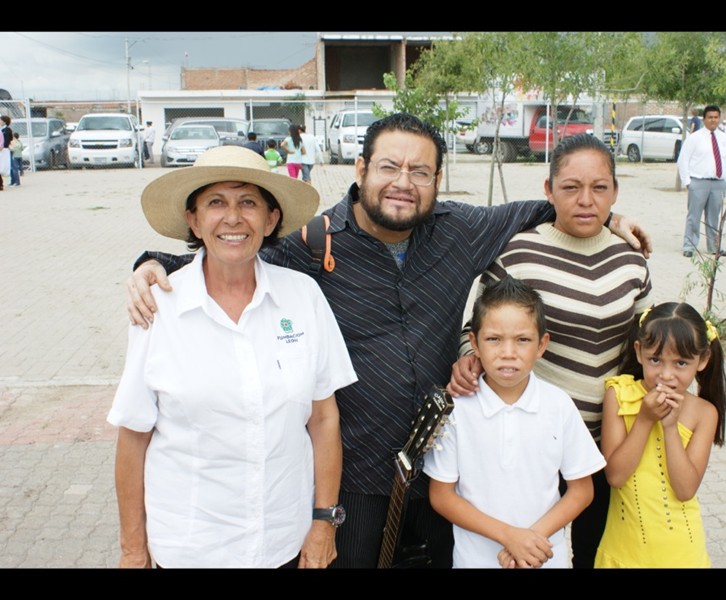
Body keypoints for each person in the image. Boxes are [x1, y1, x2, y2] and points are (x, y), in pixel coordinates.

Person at [126, 113, 651, 568]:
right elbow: (234, 248)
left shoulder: (461, 229)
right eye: (389, 167)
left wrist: (613, 218)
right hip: (356, 473)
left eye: (420, 172)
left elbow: (548, 207)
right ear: (361, 170)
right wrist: (154, 265)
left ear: (438, 180)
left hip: (450, 469)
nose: (404, 182)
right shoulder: (313, 242)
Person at [108, 145, 357, 568]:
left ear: (271, 217)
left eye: (248, 202)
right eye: (216, 203)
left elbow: (323, 418)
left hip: (283, 543)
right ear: (193, 219)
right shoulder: (158, 309)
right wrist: (133, 550)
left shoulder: (303, 297)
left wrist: (323, 523)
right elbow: (134, 436)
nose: (233, 218)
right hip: (190, 548)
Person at [449, 134, 652, 568]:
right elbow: (478, 328)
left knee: (597, 549)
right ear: (548, 190)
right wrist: (469, 358)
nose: (586, 200)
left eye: (599, 188)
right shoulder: (518, 253)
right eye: (570, 187)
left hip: (609, 441)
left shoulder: (631, 261)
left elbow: (645, 347)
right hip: (533, 440)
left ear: (615, 193)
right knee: (533, 546)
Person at [425, 276, 605, 569]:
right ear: (474, 343)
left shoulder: (558, 405)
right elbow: (442, 496)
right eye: (494, 339)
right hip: (475, 561)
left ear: (542, 344)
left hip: (545, 559)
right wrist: (510, 537)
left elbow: (582, 490)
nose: (508, 352)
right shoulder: (456, 410)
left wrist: (529, 539)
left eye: (522, 340)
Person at [595, 302, 726, 568]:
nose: (666, 375)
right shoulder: (619, 394)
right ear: (639, 352)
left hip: (681, 553)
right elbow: (615, 476)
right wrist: (645, 420)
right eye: (655, 360)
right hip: (623, 551)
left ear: (702, 361)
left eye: (681, 363)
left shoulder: (704, 413)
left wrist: (670, 428)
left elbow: (685, 489)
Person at [677, 104, 726, 258]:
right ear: (704, 119)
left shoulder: (724, 139)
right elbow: (683, 159)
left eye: (716, 117)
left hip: (718, 184)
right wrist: (688, 182)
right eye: (710, 117)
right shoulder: (695, 138)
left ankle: (713, 246)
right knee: (694, 216)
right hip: (698, 182)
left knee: (713, 217)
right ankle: (689, 246)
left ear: (719, 118)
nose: (713, 120)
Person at [0, 115, 12, 191]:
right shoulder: (1, 129)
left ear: (4, 121)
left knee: (4, 167)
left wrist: (2, 146)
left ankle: (14, 181)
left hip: (3, 150)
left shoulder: (7, 130)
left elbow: (7, 140)